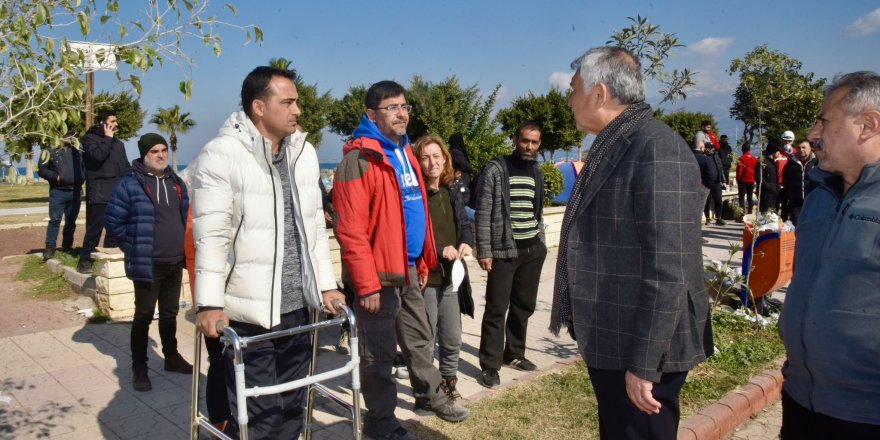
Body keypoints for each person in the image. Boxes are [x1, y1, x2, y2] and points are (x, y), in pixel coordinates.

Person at [551, 46, 713, 440]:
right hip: (618, 334)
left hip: (642, 346)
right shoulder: (618, 143)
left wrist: (645, 363)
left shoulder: (655, 149)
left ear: (599, 93)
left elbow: (669, 268)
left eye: (574, 90)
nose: (569, 100)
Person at [190, 66, 344, 439]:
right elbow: (211, 235)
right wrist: (209, 303)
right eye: (288, 102)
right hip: (248, 312)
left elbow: (313, 231)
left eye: (297, 102)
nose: (298, 111)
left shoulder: (302, 154)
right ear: (259, 107)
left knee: (293, 403)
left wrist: (326, 285)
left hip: (298, 307)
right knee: (261, 414)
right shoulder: (221, 154)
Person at [333, 80, 470, 440]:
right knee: (379, 356)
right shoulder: (358, 160)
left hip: (409, 268)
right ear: (371, 114)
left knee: (420, 338)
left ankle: (431, 397)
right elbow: (350, 230)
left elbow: (416, 210)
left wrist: (423, 261)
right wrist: (365, 283)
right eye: (391, 107)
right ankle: (381, 424)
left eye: (404, 106)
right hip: (377, 276)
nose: (401, 113)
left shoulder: (407, 152)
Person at [778, 71, 880, 439]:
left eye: (824, 120)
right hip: (801, 401)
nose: (812, 134)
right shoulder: (820, 196)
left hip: (865, 416)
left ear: (868, 125)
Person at [104, 133, 192, 392]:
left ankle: (171, 357)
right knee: (143, 316)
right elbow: (113, 221)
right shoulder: (131, 184)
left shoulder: (176, 182)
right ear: (144, 155)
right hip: (148, 264)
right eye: (155, 151)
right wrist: (133, 247)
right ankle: (139, 366)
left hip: (175, 261)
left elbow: (184, 216)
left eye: (164, 150)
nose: (161, 155)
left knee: (169, 314)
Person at [474, 121, 547, 389]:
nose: (529, 147)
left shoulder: (536, 171)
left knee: (523, 307)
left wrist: (541, 243)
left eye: (535, 142)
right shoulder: (496, 169)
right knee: (496, 309)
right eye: (525, 140)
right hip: (504, 251)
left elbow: (535, 210)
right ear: (515, 139)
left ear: (539, 145)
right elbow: (483, 212)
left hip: (532, 250)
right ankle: (490, 365)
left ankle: (514, 354)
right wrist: (485, 250)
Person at [413, 134, 475, 402]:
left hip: (452, 277)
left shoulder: (451, 190)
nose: (431, 162)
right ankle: (425, 393)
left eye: (436, 156)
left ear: (445, 159)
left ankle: (449, 384)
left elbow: (463, 223)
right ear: (418, 162)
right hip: (426, 277)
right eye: (425, 157)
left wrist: (466, 242)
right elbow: (413, 235)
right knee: (425, 340)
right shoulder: (415, 195)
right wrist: (439, 250)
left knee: (452, 337)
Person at [78, 110, 130, 273]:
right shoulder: (89, 139)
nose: (116, 124)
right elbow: (98, 156)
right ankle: (84, 260)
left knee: (116, 228)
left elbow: (124, 165)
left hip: (118, 192)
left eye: (116, 121)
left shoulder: (118, 143)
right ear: (103, 123)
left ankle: (109, 255)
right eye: (113, 121)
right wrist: (107, 138)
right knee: (95, 229)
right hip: (99, 191)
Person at [37, 131, 85, 260]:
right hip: (58, 192)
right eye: (66, 135)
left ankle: (67, 246)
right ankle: (50, 247)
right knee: (55, 220)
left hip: (75, 192)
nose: (69, 138)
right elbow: (41, 169)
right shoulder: (49, 151)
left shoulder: (77, 151)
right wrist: (55, 177)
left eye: (71, 135)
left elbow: (84, 167)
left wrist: (83, 177)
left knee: (71, 222)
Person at [780, 140, 818, 225]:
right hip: (796, 202)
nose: (801, 150)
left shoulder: (817, 164)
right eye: (799, 148)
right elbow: (786, 181)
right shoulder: (791, 165)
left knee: (812, 226)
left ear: (810, 149)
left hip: (813, 201)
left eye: (804, 147)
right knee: (797, 225)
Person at [703, 145, 728, 225]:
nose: (712, 149)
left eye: (712, 148)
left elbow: (720, 168)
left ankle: (719, 218)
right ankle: (708, 218)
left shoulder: (716, 156)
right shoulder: (702, 157)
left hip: (716, 181)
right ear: (706, 148)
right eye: (710, 148)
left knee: (718, 200)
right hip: (705, 182)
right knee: (707, 200)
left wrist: (724, 180)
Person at [755, 141, 781, 213]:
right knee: (767, 214)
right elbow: (758, 177)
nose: (779, 153)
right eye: (778, 151)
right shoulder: (762, 162)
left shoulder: (774, 162)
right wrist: (768, 186)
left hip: (775, 193)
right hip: (766, 194)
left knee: (774, 214)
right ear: (773, 151)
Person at [735, 144, 758, 215]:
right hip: (751, 180)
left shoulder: (742, 158)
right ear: (750, 149)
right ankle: (750, 212)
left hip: (743, 181)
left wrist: (738, 179)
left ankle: (742, 213)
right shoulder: (754, 159)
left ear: (742, 150)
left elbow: (739, 171)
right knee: (750, 197)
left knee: (741, 197)